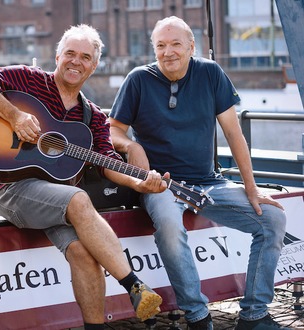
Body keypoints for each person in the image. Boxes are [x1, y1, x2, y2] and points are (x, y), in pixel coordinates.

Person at [0, 24, 167, 329]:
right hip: (14, 189)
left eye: (85, 57)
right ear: (57, 56)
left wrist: (139, 182)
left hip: (60, 200)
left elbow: (108, 162)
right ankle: (134, 285)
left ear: (93, 66)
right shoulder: (28, 80)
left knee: (84, 252)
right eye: (70, 53)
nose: (75, 61)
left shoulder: (94, 116)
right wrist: (14, 115)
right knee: (79, 198)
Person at [109, 16, 288, 330]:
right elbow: (113, 131)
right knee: (167, 223)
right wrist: (132, 147)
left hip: (208, 182)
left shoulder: (210, 73)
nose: (168, 52)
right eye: (160, 46)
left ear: (191, 46)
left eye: (176, 44)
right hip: (160, 184)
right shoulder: (138, 79)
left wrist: (252, 187)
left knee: (273, 219)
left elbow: (234, 134)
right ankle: (197, 316)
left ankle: (254, 315)